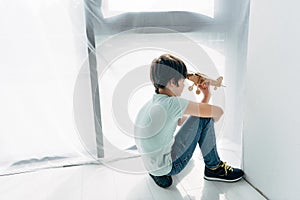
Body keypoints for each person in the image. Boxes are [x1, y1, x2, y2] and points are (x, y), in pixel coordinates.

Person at [134, 54, 244, 188]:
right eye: (182, 81)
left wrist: (206, 96)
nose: (184, 85)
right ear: (172, 82)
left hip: (151, 164)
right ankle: (214, 168)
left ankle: (158, 174)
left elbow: (187, 122)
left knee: (202, 117)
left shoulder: (152, 103)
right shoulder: (173, 104)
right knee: (206, 117)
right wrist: (208, 120)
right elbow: (218, 112)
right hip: (168, 166)